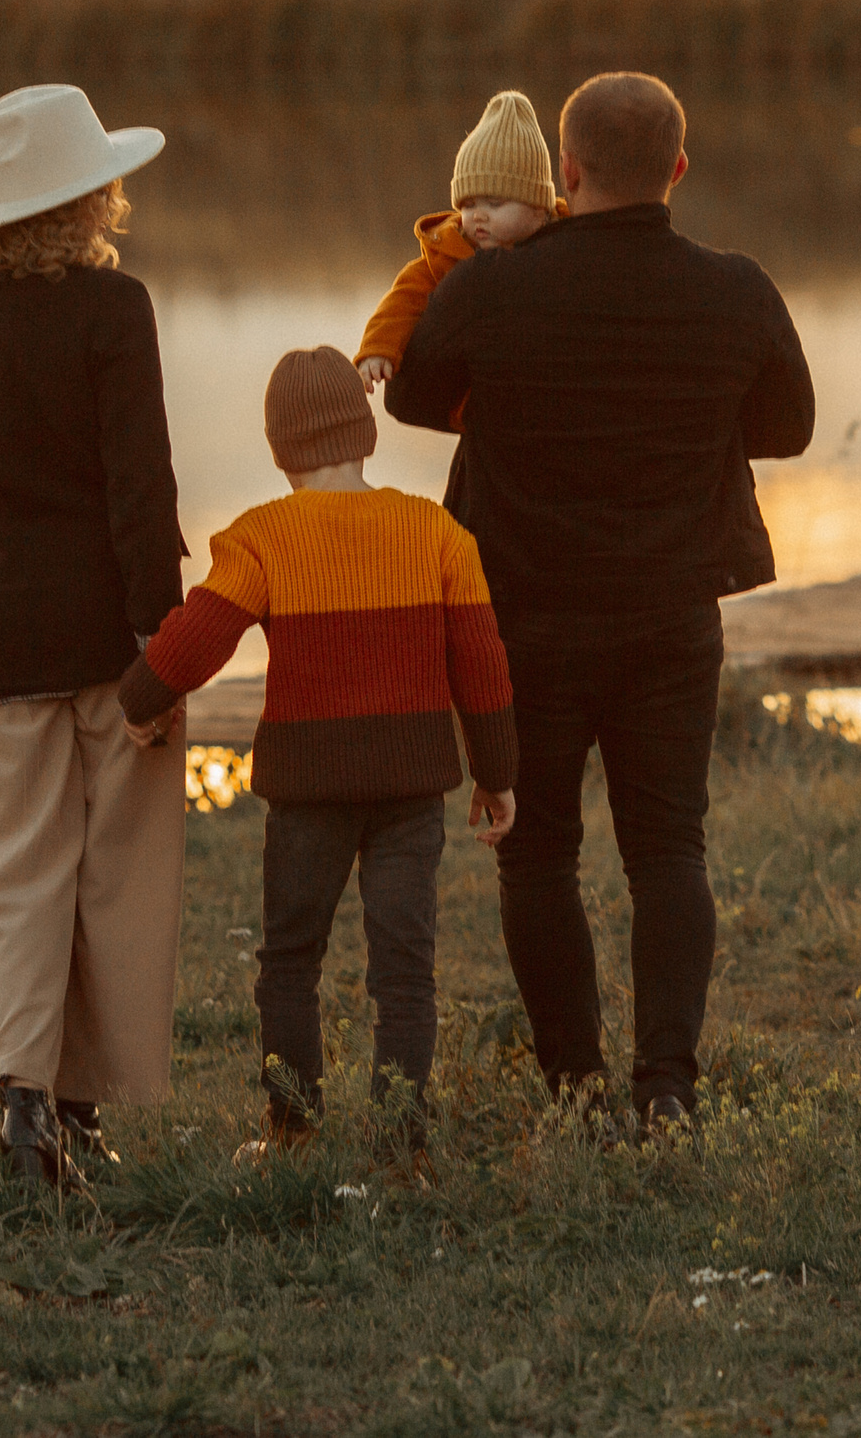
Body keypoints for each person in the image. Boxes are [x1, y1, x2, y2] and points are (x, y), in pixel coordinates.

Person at [385, 71, 816, 1134]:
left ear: (565, 174)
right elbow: (790, 426)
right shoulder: (735, 289)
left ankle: (575, 1088)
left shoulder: (492, 287)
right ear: (675, 169)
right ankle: (665, 1085)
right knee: (668, 848)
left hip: (523, 619)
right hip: (670, 616)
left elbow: (406, 392)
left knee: (536, 853)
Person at [0, 84, 189, 1189]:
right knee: (116, 869)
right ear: (88, 194)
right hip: (112, 637)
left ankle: (23, 1101)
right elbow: (137, 485)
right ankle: (79, 1100)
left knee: (5, 868)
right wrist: (161, 632)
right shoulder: (114, 310)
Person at [114, 347, 517, 1176]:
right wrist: (497, 770)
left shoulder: (262, 538)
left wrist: (137, 698)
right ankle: (403, 1144)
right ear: (365, 435)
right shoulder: (437, 530)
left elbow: (195, 641)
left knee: (290, 959)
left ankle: (293, 1128)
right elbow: (482, 660)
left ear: (276, 448)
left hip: (307, 795)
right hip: (411, 791)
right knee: (404, 967)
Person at [353, 90, 567, 403]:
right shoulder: (445, 256)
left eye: (495, 203)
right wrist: (378, 349)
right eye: (468, 205)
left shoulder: (567, 245)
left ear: (538, 208)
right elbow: (400, 304)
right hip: (477, 403)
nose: (478, 215)